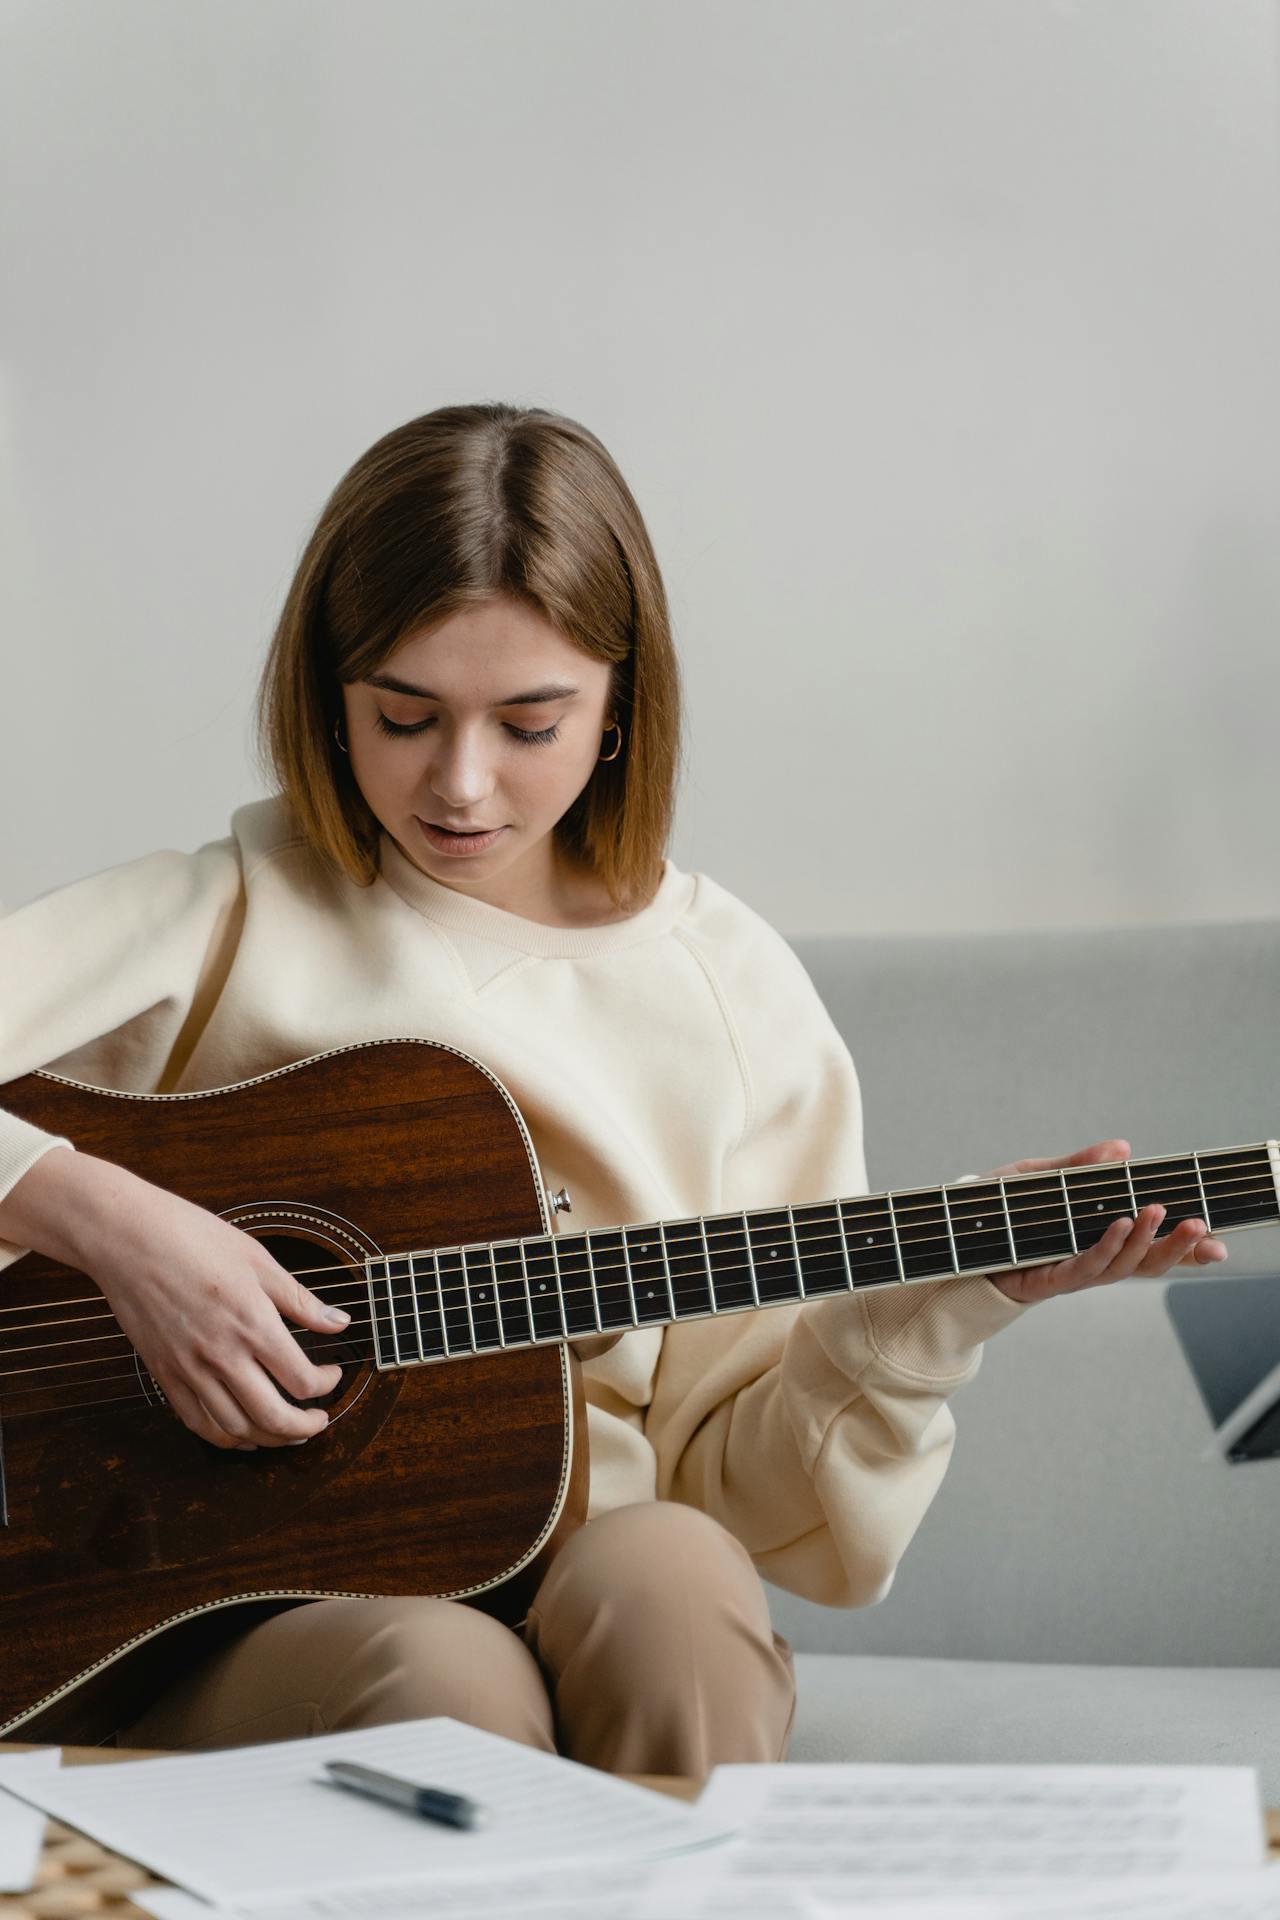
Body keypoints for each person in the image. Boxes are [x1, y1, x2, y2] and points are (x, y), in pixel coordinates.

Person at [0, 402, 1228, 1772]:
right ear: (328, 692)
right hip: (221, 1601)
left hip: (599, 1556)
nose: (459, 783)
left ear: (622, 705)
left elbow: (743, 1491)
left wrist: (937, 1308)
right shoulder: (225, 914)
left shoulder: (730, 994)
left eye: (530, 722)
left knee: (674, 1584)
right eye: (403, 716)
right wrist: (111, 1223)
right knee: (440, 1680)